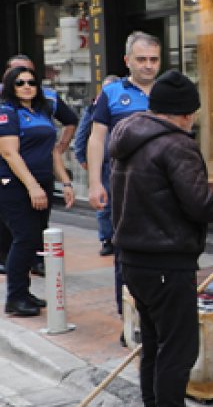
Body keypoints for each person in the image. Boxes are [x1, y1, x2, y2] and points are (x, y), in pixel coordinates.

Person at [110, 70, 213, 407]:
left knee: (154, 344)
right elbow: (199, 205)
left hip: (135, 259)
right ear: (184, 113)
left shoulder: (130, 135)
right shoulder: (176, 145)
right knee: (178, 349)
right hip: (166, 261)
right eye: (193, 112)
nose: (194, 119)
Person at [88, 31, 160, 315]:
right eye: (141, 59)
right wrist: (94, 183)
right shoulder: (112, 93)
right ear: (127, 60)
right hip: (124, 188)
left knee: (163, 252)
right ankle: (129, 316)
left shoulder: (168, 90)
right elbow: (96, 139)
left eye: (154, 59)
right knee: (127, 254)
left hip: (164, 187)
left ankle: (158, 312)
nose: (148, 65)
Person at [0, 66, 75, 316]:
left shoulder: (42, 111)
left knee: (35, 239)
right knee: (25, 237)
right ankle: (15, 297)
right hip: (15, 185)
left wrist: (65, 182)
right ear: (11, 86)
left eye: (31, 82)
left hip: (42, 183)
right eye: (20, 83)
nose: (26, 86)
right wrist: (32, 186)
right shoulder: (7, 111)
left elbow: (52, 151)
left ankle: (24, 292)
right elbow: (9, 153)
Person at [74, 74, 120, 256]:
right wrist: (81, 156)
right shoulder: (94, 108)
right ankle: (107, 239)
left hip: (123, 162)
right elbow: (83, 132)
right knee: (104, 204)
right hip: (104, 163)